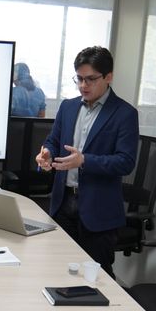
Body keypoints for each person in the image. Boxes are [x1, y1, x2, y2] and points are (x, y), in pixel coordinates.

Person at [34, 46, 138, 275]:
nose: (83, 86)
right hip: (62, 206)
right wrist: (47, 154)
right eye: (79, 79)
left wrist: (84, 161)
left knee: (95, 280)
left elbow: (126, 162)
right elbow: (53, 141)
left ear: (108, 77)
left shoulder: (124, 114)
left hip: (98, 212)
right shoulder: (68, 107)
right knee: (56, 271)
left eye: (90, 79)